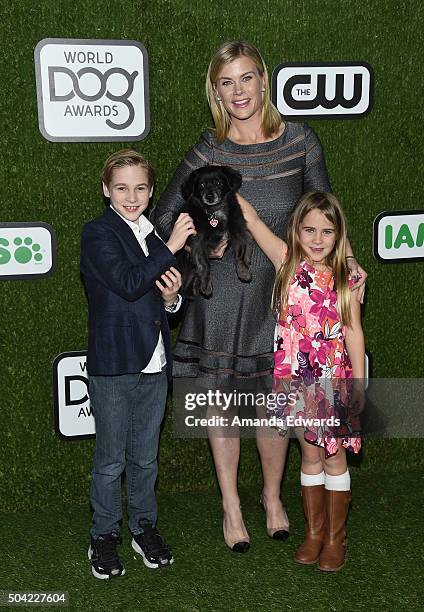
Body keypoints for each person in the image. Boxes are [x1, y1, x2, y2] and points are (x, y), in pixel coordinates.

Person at [153, 40, 366, 553]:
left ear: (263, 80)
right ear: (215, 92)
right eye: (226, 82)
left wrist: (350, 261)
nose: (238, 91)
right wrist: (206, 237)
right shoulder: (209, 149)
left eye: (246, 78)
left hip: (283, 293)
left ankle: (273, 498)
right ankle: (231, 506)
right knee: (222, 404)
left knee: (275, 404)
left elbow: (324, 209)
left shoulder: (300, 141)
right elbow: (164, 217)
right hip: (221, 293)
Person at [80, 150, 195, 579]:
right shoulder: (98, 233)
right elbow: (129, 284)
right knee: (111, 460)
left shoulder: (151, 235)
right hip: (114, 364)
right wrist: (171, 247)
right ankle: (104, 534)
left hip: (155, 363)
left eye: (141, 188)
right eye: (123, 188)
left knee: (145, 459)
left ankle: (143, 527)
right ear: (107, 190)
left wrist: (171, 301)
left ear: (150, 190)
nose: (132, 197)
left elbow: (157, 301)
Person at [238, 190, 364, 571]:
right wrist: (234, 195)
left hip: (332, 381)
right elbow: (255, 223)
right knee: (309, 454)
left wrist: (358, 384)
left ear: (338, 235)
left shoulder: (348, 278)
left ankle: (334, 538)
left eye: (327, 231)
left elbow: (354, 332)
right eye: (309, 230)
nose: (317, 239)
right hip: (295, 381)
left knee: (334, 456)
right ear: (296, 231)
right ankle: (313, 533)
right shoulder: (287, 263)